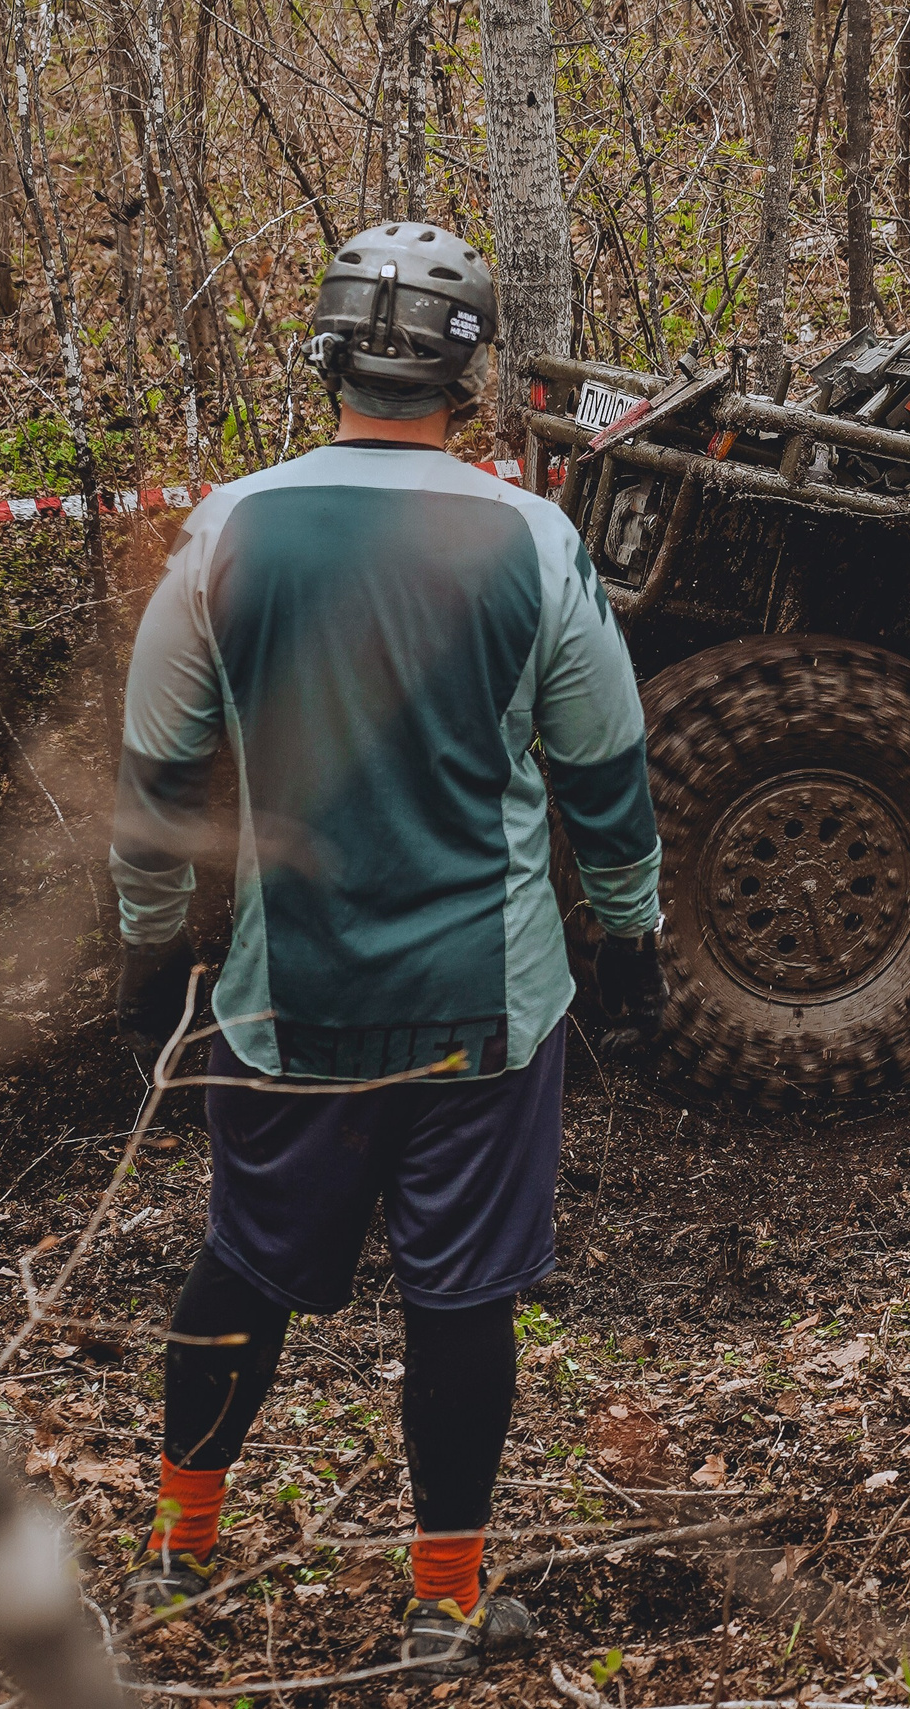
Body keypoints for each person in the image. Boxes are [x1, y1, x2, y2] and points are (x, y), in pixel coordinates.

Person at [108, 222, 667, 1678]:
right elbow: (608, 770)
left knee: (240, 1263)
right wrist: (633, 937)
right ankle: (443, 1601)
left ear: (328, 354)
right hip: (485, 1012)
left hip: (285, 1007)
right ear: (471, 375)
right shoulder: (534, 538)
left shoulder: (226, 527)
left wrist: (146, 947)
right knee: (462, 1296)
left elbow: (159, 769)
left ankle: (177, 1548)